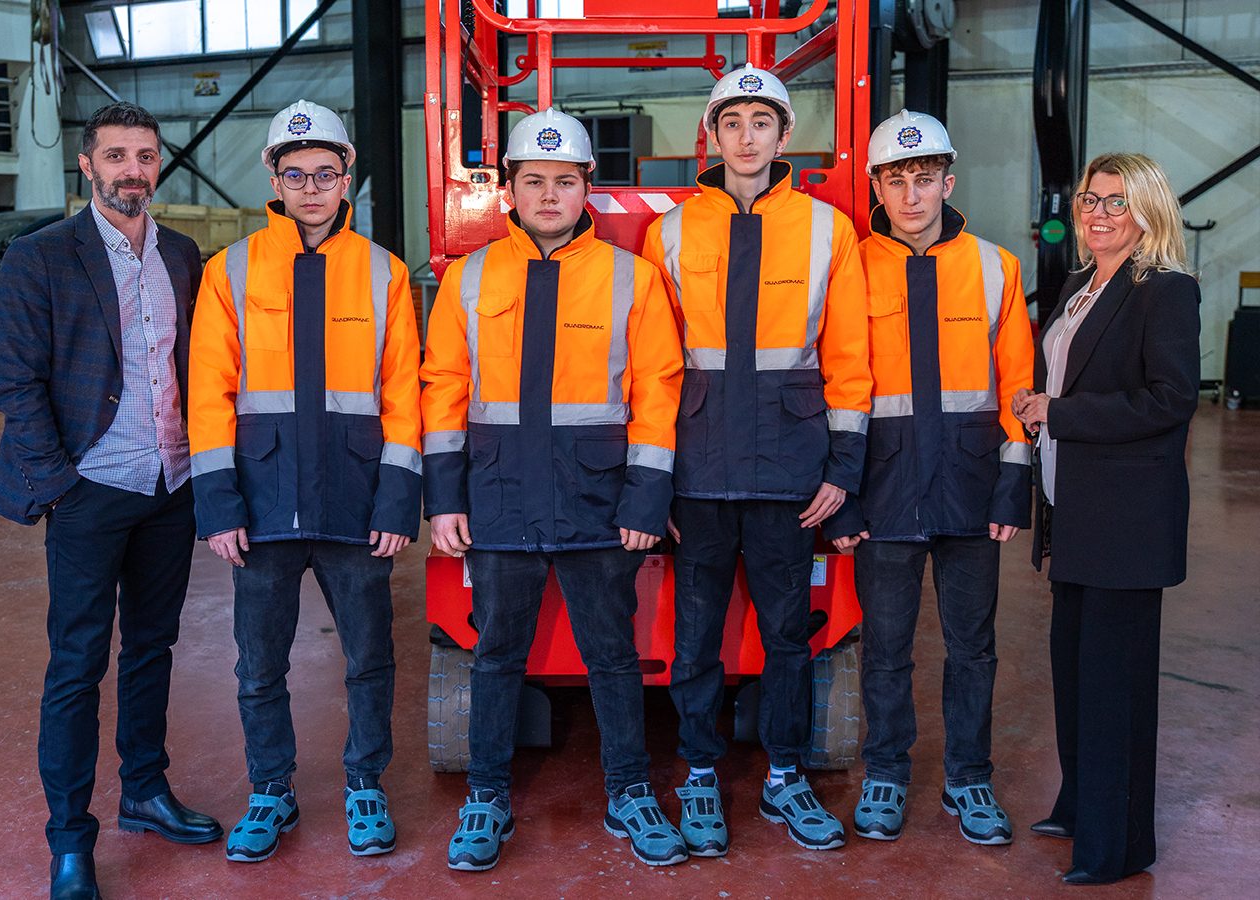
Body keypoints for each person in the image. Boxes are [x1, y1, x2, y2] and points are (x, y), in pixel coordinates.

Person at [421, 107, 686, 871]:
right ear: (507, 188)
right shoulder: (469, 279)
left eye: (564, 181)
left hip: (600, 502)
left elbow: (658, 393)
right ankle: (486, 796)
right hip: (498, 498)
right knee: (496, 653)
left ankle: (630, 792)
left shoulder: (633, 278)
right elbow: (444, 389)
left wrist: (646, 500)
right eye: (532, 180)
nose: (548, 194)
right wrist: (445, 498)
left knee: (612, 654)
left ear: (586, 190)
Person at [0, 101, 222, 900]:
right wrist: (59, 483)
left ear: (160, 166)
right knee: (78, 663)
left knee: (153, 647)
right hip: (90, 488)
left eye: (146, 156)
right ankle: (69, 840)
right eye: (116, 155)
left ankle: (147, 793)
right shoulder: (41, 256)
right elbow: (14, 382)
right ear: (86, 165)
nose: (133, 169)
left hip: (170, 485)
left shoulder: (185, 255)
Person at [638, 64, 870, 855]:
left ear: (784, 135)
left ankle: (785, 776)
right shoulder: (666, 230)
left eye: (760, 122)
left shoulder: (826, 229)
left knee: (786, 636)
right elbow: (655, 364)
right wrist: (654, 477)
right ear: (712, 135)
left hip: (790, 471)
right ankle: (700, 773)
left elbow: (847, 355)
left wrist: (843, 466)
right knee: (695, 634)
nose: (745, 137)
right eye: (730, 122)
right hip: (697, 469)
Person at [185, 99, 422, 864]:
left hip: (357, 508)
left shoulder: (384, 272)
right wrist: (218, 505)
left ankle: (364, 783)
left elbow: (403, 398)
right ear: (273, 178)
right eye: (297, 174)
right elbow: (208, 395)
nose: (313, 187)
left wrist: (396, 500)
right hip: (260, 505)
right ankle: (270, 789)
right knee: (259, 665)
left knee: (370, 659)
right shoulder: (231, 271)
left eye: (326, 172)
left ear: (347, 174)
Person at [821, 110, 1034, 846]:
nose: (911, 194)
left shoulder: (995, 267)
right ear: (877, 187)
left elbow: (1017, 387)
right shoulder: (850, 265)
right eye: (895, 179)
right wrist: (842, 494)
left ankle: (969, 779)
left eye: (923, 177)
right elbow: (838, 383)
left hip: (973, 487)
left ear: (948, 180)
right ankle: (885, 772)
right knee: (885, 645)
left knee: (973, 645)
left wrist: (1014, 481)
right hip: (883, 488)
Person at [1012, 151, 1199, 886]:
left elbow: (1168, 400)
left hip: (1126, 521)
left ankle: (1118, 846)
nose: (1097, 214)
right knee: (1075, 670)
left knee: (1115, 685)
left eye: (1116, 202)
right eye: (1091, 200)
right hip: (1074, 510)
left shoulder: (1165, 291)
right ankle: (1080, 805)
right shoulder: (1081, 284)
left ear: (1148, 211)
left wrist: (1058, 412)